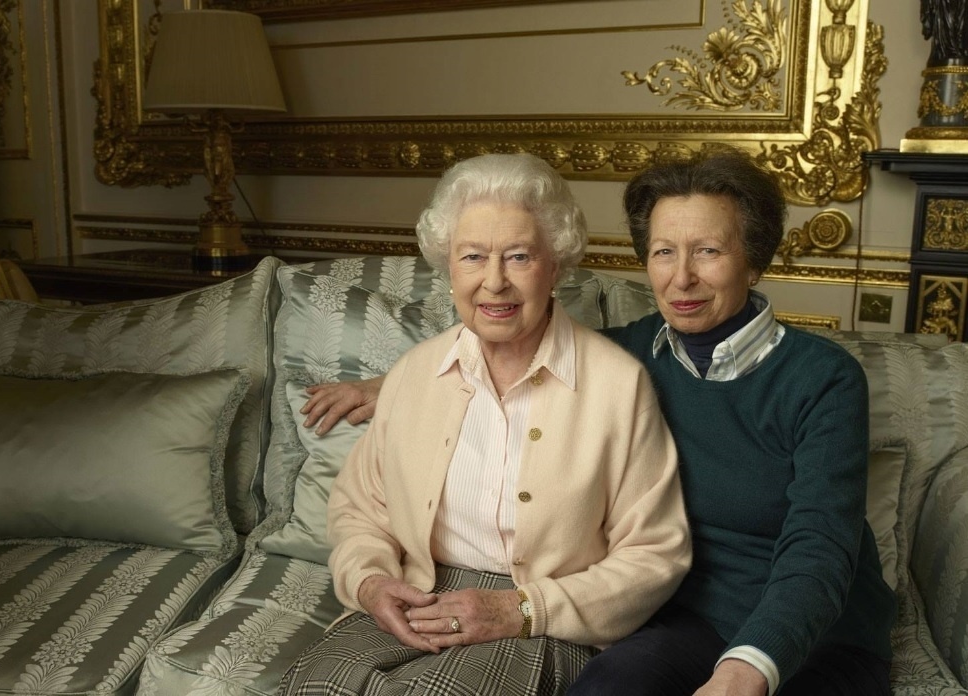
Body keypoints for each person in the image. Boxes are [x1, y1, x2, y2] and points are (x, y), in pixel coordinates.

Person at [299, 150, 897, 696]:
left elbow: (819, 548)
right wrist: (394, 385)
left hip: (810, 631)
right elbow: (517, 349)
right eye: (664, 251)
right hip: (686, 619)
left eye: (709, 251)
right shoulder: (632, 352)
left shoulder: (822, 379)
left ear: (756, 259)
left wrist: (749, 668)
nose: (681, 277)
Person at [279, 153, 692, 696]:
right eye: (472, 257)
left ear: (556, 265)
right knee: (315, 687)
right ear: (449, 267)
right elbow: (360, 511)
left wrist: (520, 609)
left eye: (518, 257)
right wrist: (373, 581)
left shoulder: (618, 384)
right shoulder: (414, 374)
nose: (493, 283)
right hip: (419, 593)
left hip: (544, 618)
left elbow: (655, 553)